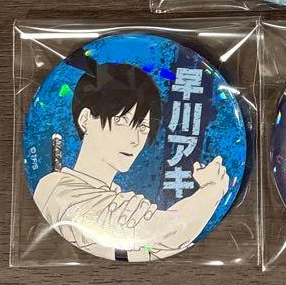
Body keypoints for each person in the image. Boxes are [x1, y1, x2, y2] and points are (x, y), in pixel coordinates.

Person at [33, 56, 231, 262]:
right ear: (85, 120)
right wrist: (213, 188)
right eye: (120, 120)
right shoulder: (56, 190)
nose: (135, 140)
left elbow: (154, 245)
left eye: (142, 127)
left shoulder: (116, 198)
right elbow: (168, 231)